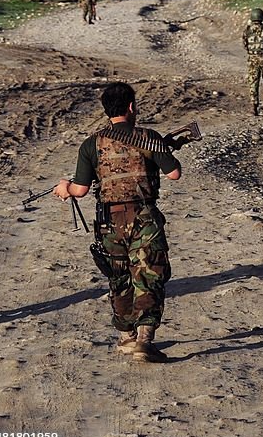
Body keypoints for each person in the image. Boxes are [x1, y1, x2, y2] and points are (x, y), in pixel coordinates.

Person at [53, 82, 182, 363]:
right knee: (149, 275)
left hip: (109, 221)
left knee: (119, 277)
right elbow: (173, 174)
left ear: (106, 111)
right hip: (144, 218)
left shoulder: (92, 144)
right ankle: (145, 341)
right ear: (132, 107)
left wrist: (65, 187)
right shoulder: (148, 137)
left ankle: (125, 337)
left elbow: (81, 190)